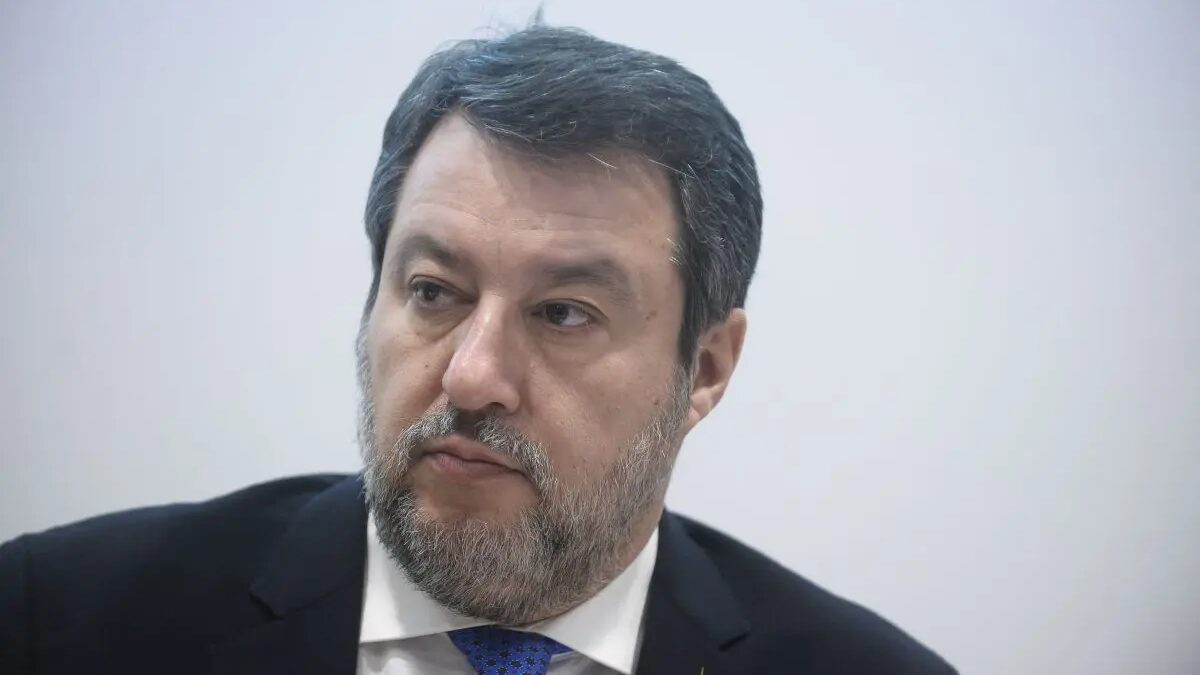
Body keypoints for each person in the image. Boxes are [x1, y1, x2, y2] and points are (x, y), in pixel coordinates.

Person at [0, 25, 956, 675]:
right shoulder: (56, 618)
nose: (471, 374)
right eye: (433, 292)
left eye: (564, 313)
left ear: (704, 368)